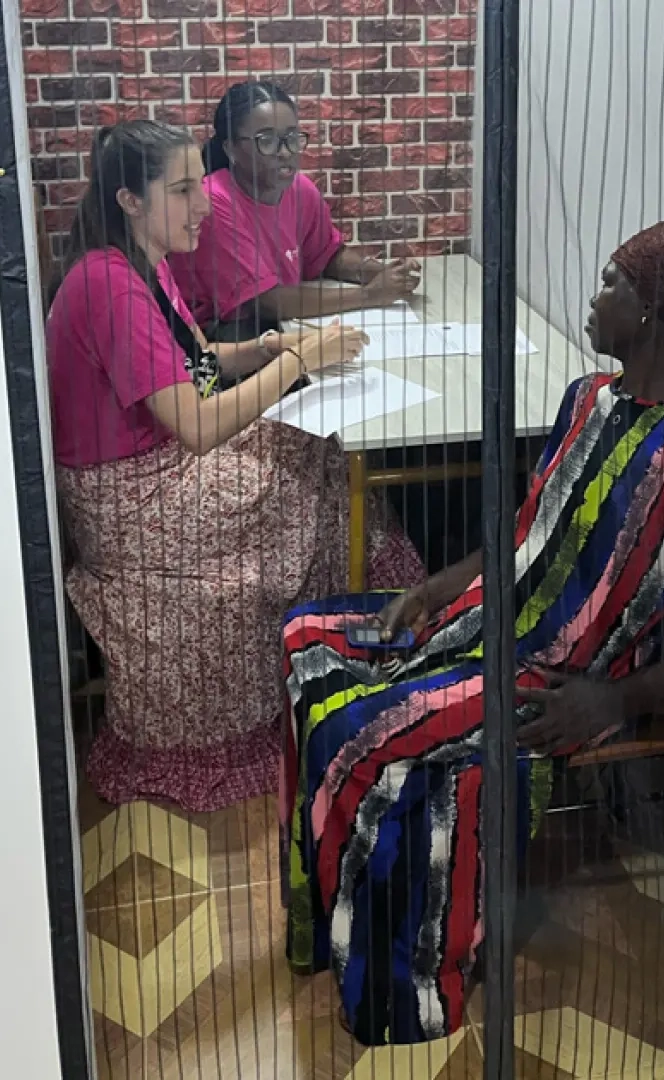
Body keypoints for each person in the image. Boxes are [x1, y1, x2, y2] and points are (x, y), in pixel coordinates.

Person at [277, 222, 664, 1044]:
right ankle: (329, 917)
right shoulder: (589, 399)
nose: (595, 301)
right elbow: (526, 530)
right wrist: (435, 585)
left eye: (611, 284)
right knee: (307, 634)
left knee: (362, 730)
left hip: (557, 672)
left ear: (661, 313)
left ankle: (400, 985)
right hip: (491, 615)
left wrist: (613, 699)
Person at [48, 120, 425, 812]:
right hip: (130, 498)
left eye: (201, 185)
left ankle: (346, 647)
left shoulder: (142, 260)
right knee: (309, 464)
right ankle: (351, 646)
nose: (204, 206)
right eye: (184, 189)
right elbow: (194, 425)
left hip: (156, 466)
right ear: (130, 199)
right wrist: (296, 363)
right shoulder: (106, 284)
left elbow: (195, 361)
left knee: (319, 453)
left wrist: (258, 351)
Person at [166, 80, 423, 349]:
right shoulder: (212, 202)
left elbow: (326, 255)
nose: (285, 152)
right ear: (231, 149)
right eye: (267, 141)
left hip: (281, 324)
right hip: (220, 340)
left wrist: (380, 272)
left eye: (291, 137)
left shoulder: (300, 188)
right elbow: (265, 302)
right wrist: (369, 294)